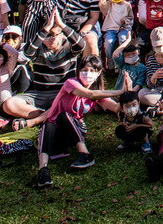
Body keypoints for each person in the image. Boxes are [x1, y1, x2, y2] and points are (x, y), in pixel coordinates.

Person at [31, 54, 126, 189]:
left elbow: (116, 107)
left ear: (98, 73)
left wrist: (128, 95)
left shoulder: (97, 94)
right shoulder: (71, 83)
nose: (87, 74)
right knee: (49, 123)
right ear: (78, 71)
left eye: (92, 71)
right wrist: (119, 91)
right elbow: (90, 94)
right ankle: (43, 170)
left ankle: (85, 154)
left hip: (74, 131)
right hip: (54, 134)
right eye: (84, 70)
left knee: (64, 116)